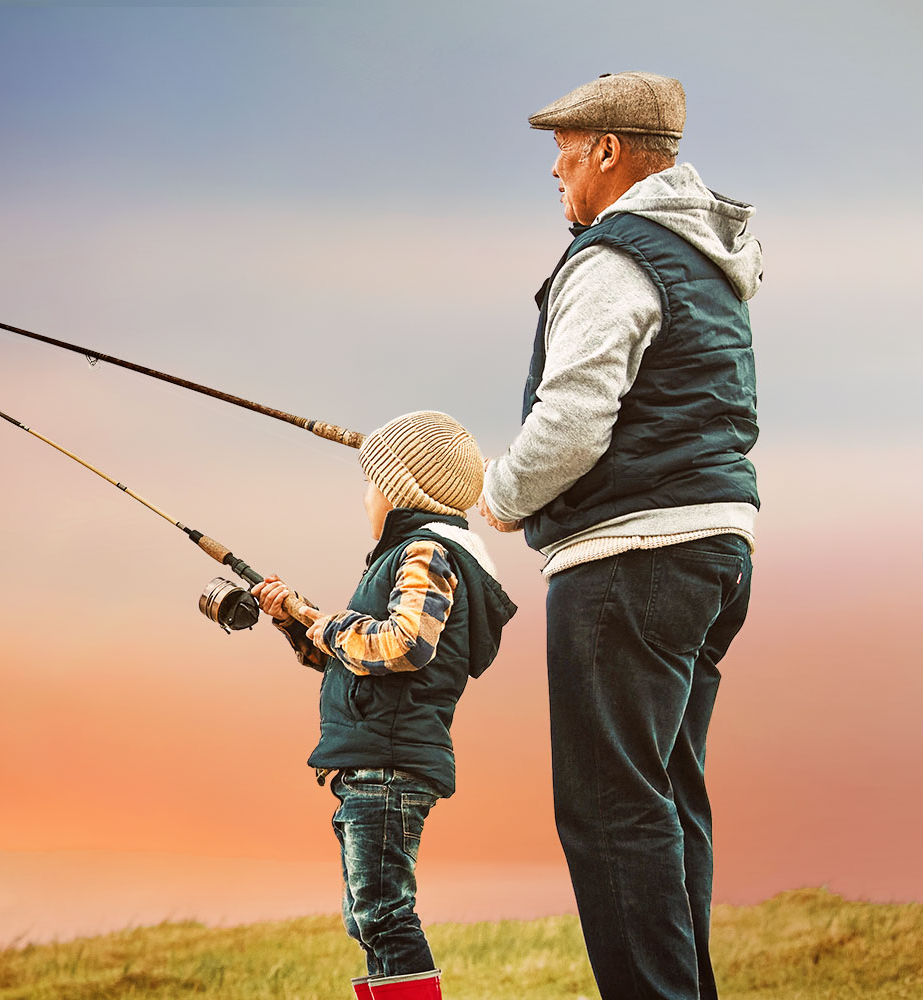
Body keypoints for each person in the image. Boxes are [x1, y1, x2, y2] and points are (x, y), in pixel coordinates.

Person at [480, 71, 763, 1000]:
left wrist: (501, 495)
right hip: (715, 554)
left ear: (608, 151)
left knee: (611, 812)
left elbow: (571, 421)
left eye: (564, 145)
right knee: (668, 801)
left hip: (628, 562)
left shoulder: (613, 257)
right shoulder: (706, 258)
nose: (554, 165)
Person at [247, 411, 518, 1000]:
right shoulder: (407, 557)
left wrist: (327, 623)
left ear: (400, 493)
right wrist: (298, 623)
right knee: (368, 917)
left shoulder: (425, 554)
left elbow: (405, 644)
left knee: (385, 915)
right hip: (373, 760)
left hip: (387, 765)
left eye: (372, 484)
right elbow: (362, 656)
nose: (364, 498)